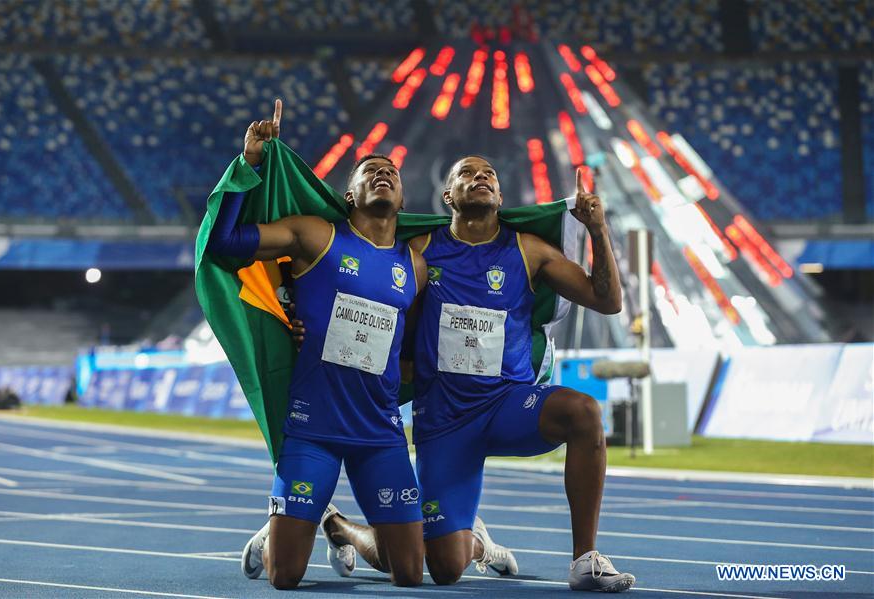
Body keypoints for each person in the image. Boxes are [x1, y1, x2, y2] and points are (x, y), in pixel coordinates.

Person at [311, 156, 635, 592]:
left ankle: (585, 559)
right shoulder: (421, 250)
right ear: (448, 197)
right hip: (444, 421)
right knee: (441, 566)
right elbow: (364, 289)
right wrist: (302, 317)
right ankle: (343, 525)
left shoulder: (528, 250)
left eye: (489, 175)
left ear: (500, 198)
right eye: (466, 173)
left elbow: (608, 301)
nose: (480, 178)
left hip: (506, 404)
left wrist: (597, 228)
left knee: (582, 411)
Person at [208, 100, 427, 589]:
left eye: (391, 171)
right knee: (285, 577)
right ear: (349, 194)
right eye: (370, 171)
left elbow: (410, 346)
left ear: (403, 197)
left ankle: (338, 526)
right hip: (314, 428)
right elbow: (225, 244)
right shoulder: (315, 236)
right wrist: (250, 164)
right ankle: (276, 537)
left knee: (410, 572)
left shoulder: (415, 266)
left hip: (381, 432)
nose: (383, 174)